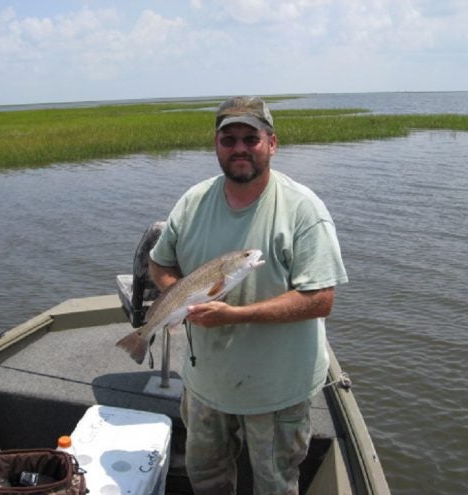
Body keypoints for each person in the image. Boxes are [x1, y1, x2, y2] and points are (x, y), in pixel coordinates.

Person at [149, 96, 348, 495]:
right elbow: (160, 265)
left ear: (271, 144)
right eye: (229, 139)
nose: (239, 148)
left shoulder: (303, 210)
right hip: (205, 385)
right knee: (206, 480)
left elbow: (320, 299)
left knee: (275, 485)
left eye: (250, 138)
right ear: (216, 146)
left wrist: (236, 315)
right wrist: (181, 297)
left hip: (277, 390)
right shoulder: (191, 203)